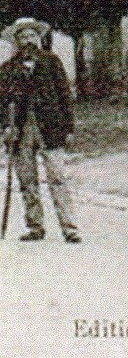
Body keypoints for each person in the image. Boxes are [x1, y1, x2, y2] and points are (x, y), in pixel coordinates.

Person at [0, 17, 79, 242]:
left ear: (39, 38)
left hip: (51, 129)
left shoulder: (52, 62)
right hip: (21, 131)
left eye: (32, 36)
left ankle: (70, 228)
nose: (28, 41)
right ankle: (35, 226)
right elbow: (2, 103)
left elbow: (65, 95)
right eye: (23, 37)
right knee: (27, 181)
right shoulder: (7, 69)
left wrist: (69, 127)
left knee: (58, 178)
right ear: (16, 41)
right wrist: (6, 127)